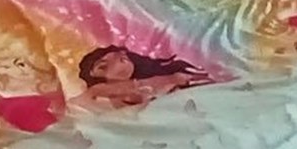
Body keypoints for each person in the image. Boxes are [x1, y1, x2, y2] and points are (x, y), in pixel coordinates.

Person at [76, 46, 212, 107]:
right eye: (103, 67)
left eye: (121, 57)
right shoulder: (98, 92)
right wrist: (171, 79)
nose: (118, 63)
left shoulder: (161, 78)